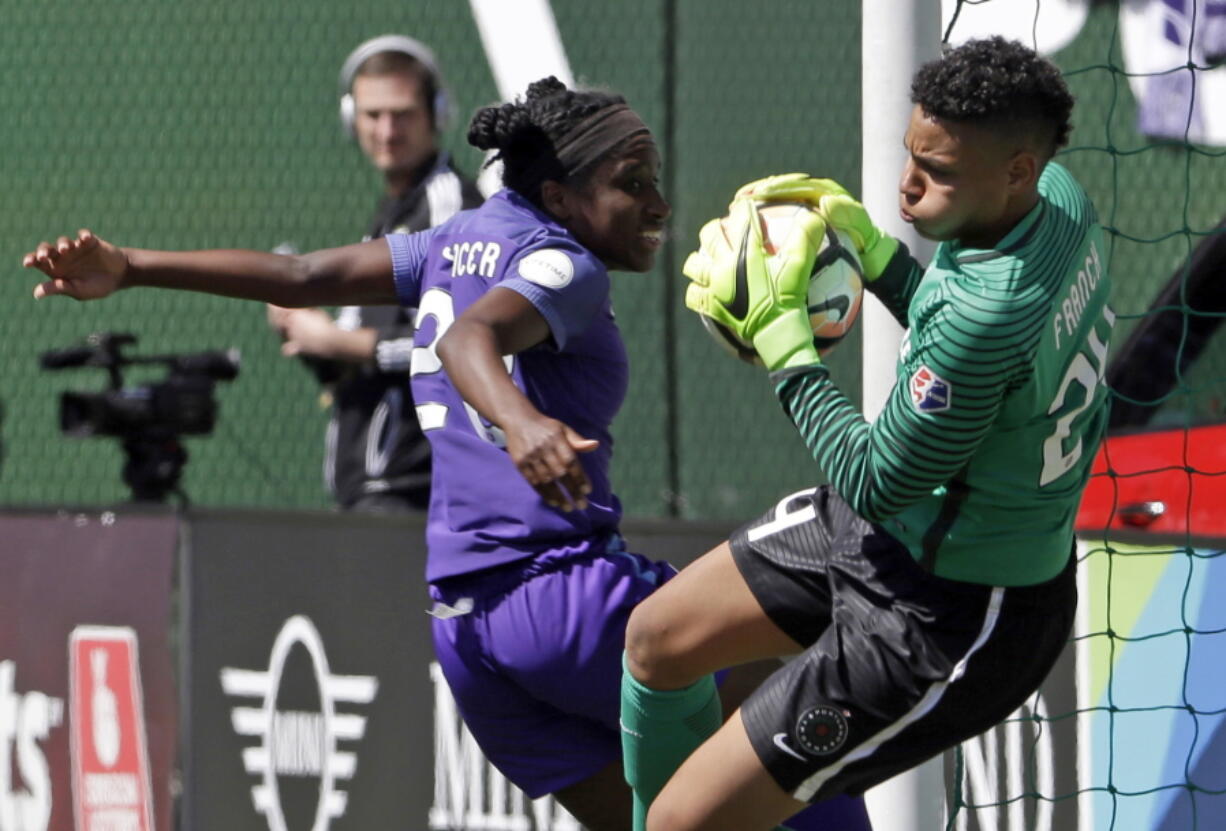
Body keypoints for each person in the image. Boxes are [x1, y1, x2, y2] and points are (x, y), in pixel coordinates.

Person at [22, 77, 868, 831]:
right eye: (631, 182)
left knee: (687, 815)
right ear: (560, 195)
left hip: (468, 638)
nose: (658, 203)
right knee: (809, 710)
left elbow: (308, 274)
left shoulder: (456, 238)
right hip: (560, 602)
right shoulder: (564, 265)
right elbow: (472, 339)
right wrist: (520, 420)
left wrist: (132, 264)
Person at [619, 36, 1113, 831]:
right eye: (912, 154)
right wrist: (880, 257)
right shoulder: (1057, 200)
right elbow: (970, 374)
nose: (908, 184)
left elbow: (880, 476)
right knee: (656, 637)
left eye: (940, 171)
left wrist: (786, 344)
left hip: (953, 613)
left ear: (1016, 169)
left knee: (686, 822)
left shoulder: (986, 316)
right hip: (900, 528)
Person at [266, 34, 482, 513]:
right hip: (374, 484)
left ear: (437, 113)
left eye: (402, 114)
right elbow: (367, 354)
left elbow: (461, 343)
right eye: (372, 115)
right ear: (352, 119)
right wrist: (309, 335)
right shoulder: (392, 213)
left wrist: (337, 343)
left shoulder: (448, 207)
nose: (386, 130)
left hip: (418, 485)